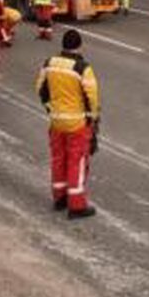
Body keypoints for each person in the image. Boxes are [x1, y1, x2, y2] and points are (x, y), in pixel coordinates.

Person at [35, 29, 100, 219]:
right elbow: (92, 96)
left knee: (58, 159)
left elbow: (40, 88)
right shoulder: (82, 68)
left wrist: (50, 108)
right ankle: (77, 205)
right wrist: (91, 117)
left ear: (62, 45)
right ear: (79, 46)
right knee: (76, 162)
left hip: (56, 122)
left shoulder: (49, 63)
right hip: (76, 123)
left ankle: (59, 198)